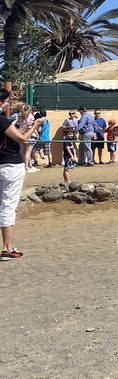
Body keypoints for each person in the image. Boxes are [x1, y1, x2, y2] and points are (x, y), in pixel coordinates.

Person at [0, 87, 47, 261]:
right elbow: (21, 139)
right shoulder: (2, 120)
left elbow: (12, 135)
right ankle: (7, 248)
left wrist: (25, 127)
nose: (7, 104)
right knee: (7, 207)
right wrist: (34, 125)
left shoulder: (5, 122)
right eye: (5, 101)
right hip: (10, 165)